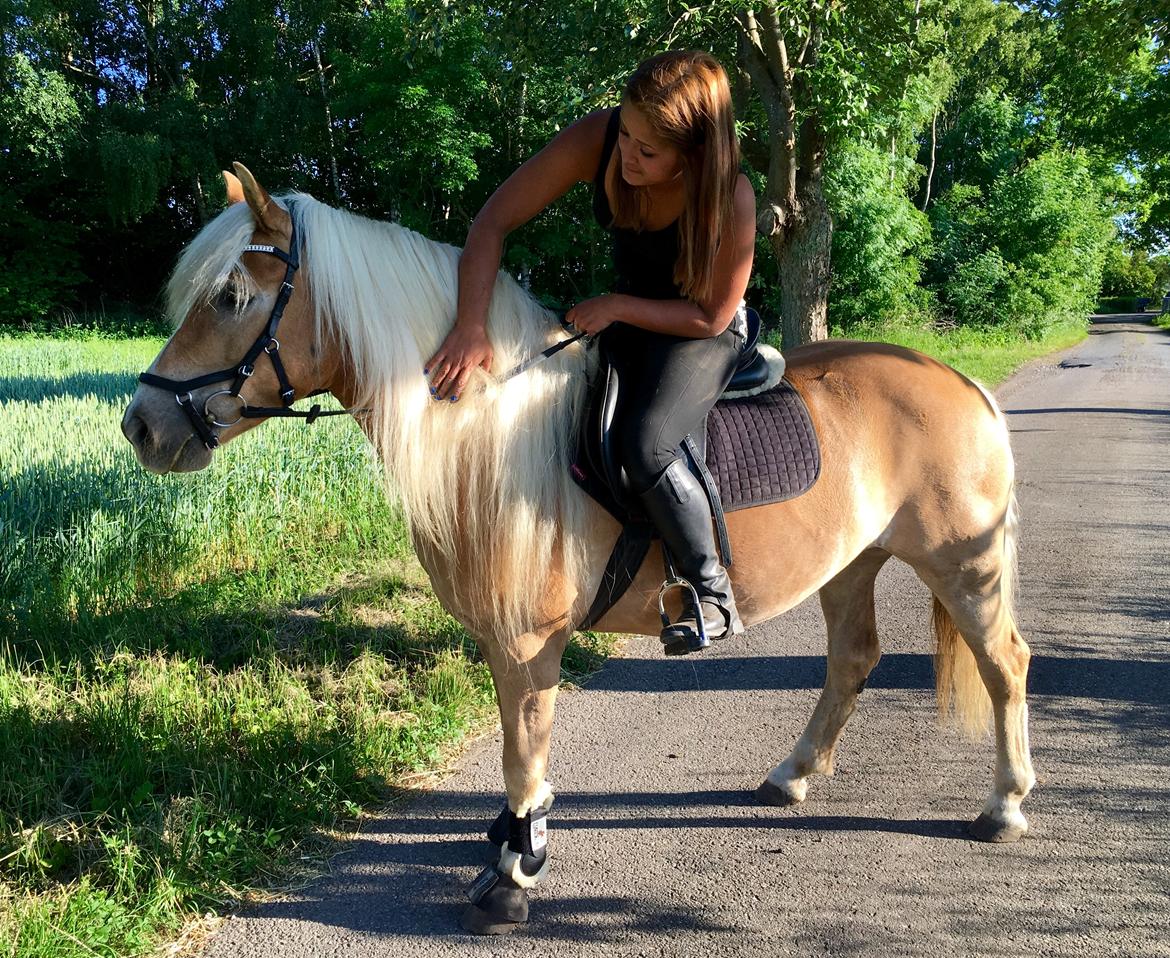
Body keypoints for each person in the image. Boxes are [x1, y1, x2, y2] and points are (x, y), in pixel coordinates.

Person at [425, 50, 756, 654]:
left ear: (692, 154)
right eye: (626, 133)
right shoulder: (597, 141)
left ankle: (712, 592)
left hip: (701, 331)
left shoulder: (731, 196)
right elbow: (492, 222)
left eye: (647, 151)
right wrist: (471, 325)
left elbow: (710, 315)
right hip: (626, 317)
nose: (627, 154)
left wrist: (617, 306)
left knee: (645, 442)